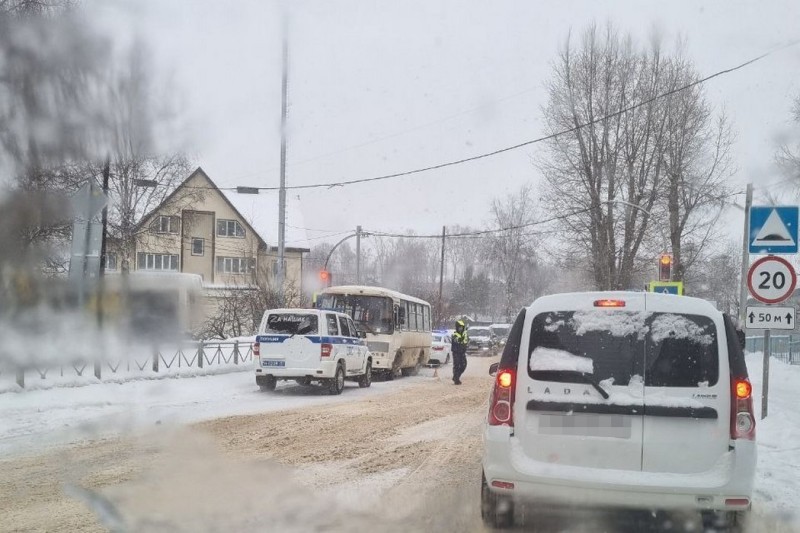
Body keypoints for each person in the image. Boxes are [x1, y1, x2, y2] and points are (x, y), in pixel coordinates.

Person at [451, 319, 469, 385]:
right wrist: (463, 336)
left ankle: (456, 376)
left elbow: (466, 341)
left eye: (462, 327)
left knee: (463, 365)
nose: (460, 328)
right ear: (457, 327)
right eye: (459, 327)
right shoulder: (454, 335)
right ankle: (456, 379)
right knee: (456, 366)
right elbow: (458, 340)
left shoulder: (464, 334)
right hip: (456, 352)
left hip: (462, 352)